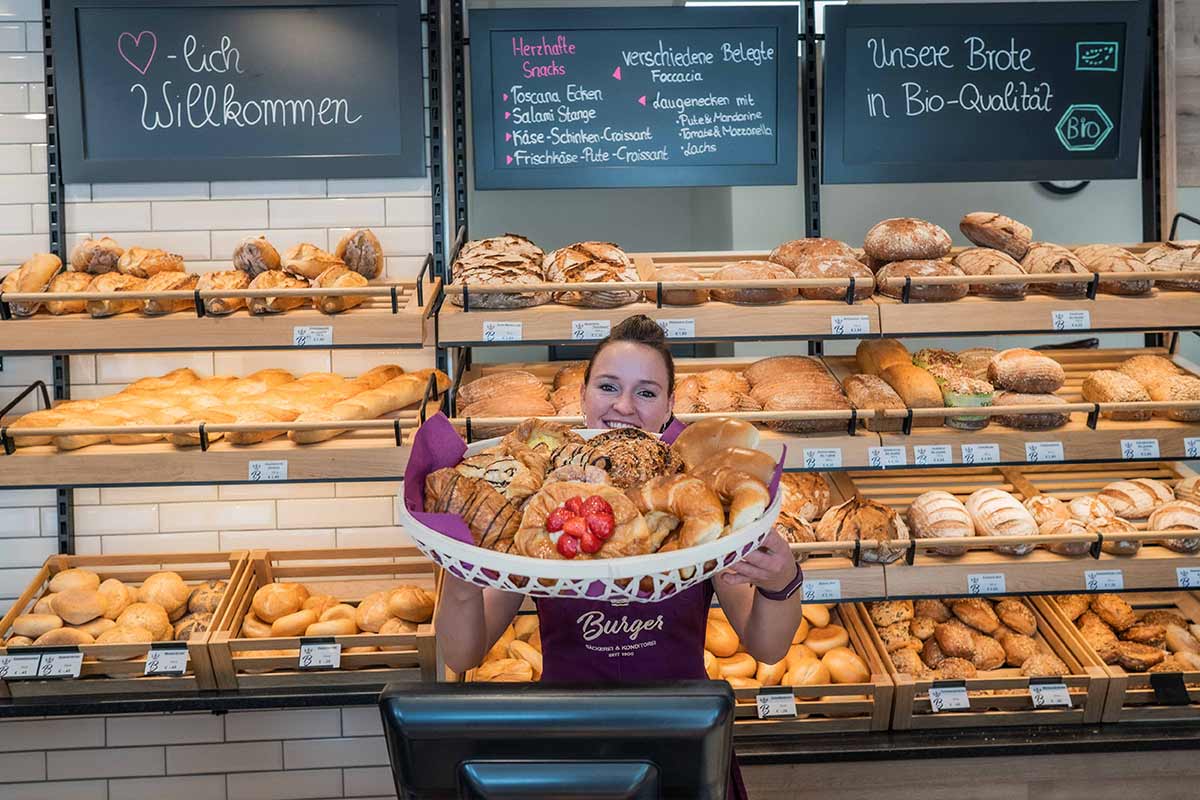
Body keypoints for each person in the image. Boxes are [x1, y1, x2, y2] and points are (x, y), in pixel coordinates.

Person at [436, 314, 805, 799]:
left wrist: (782, 580)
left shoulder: (699, 500)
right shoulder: (545, 502)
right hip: (570, 743)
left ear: (671, 405)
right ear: (582, 396)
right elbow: (464, 652)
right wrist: (461, 566)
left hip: (681, 738)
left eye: (647, 393)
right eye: (608, 387)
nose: (625, 406)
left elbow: (766, 647)